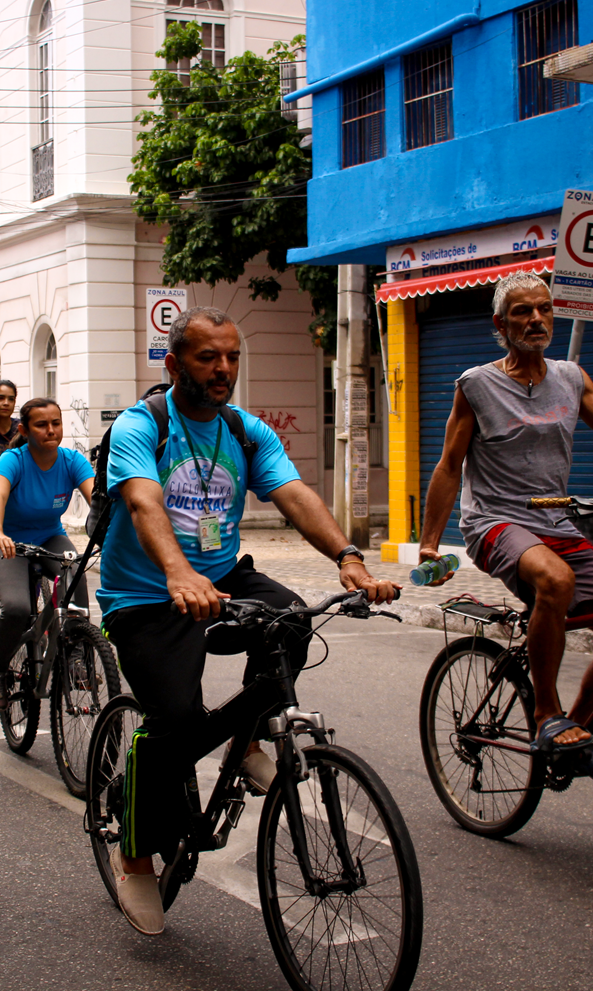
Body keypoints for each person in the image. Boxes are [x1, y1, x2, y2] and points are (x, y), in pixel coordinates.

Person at [98, 306, 398, 935]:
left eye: (232, 357)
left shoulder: (243, 430)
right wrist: (179, 573)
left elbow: (293, 495)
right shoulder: (140, 426)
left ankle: (250, 738)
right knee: (174, 723)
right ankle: (134, 856)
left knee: (291, 617)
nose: (224, 369)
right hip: (146, 593)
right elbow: (144, 502)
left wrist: (348, 557)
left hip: (219, 575)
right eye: (209, 358)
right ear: (175, 363)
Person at [417, 270, 593, 788]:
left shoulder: (571, 378)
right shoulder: (477, 385)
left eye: (544, 309)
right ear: (500, 324)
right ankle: (546, 713)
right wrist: (429, 546)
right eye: (522, 312)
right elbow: (448, 466)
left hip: (557, 520)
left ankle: (573, 730)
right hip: (495, 522)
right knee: (555, 581)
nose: (536, 319)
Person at [0, 396, 94, 709]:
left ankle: (75, 659)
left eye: (55, 423)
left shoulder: (72, 461)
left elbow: (98, 499)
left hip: (49, 537)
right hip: (8, 544)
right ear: (25, 430)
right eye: (41, 425)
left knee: (74, 576)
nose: (50, 430)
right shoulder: (13, 460)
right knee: (17, 608)